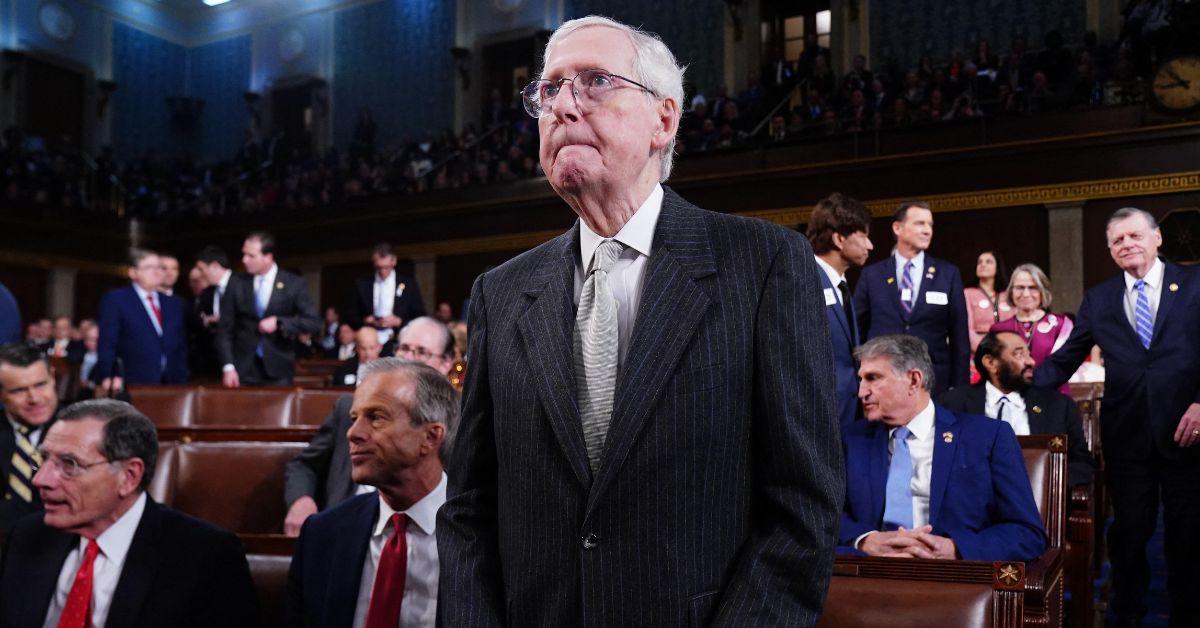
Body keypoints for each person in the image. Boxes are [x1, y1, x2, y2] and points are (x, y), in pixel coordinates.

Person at [438, 16, 843, 626]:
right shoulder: (500, 292)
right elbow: (470, 511)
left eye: (595, 81)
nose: (564, 107)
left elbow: (801, 506)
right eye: (549, 90)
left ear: (664, 119)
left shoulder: (763, 264)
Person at [1035, 207, 1200, 626]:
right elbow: (1068, 357)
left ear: (1157, 238)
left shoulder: (1195, 285)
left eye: (1134, 236)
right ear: (1110, 251)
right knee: (1129, 537)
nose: (1127, 244)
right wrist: (1015, 384)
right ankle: (1126, 616)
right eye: (1117, 241)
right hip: (1127, 437)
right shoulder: (1099, 298)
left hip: (1188, 432)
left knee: (1188, 538)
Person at [0, 399, 260, 626]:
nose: (41, 480)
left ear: (129, 476)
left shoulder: (205, 556)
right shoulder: (27, 535)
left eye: (69, 464)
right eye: (44, 460)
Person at [841, 335, 1046, 561]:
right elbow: (822, 515)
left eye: (873, 378)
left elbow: (1027, 533)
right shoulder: (851, 439)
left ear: (913, 380)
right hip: (871, 575)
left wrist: (955, 548)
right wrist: (864, 539)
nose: (861, 392)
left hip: (953, 580)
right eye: (861, 380)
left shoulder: (987, 437)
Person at [285, 359, 457, 627]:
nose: (353, 433)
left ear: (431, 437)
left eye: (376, 418)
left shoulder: (487, 536)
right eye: (354, 419)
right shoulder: (321, 535)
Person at [283, 317, 459, 536]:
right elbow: (304, 465)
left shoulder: (460, 421)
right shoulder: (350, 406)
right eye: (404, 348)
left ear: (447, 362)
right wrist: (301, 501)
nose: (410, 358)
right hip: (343, 528)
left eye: (422, 352)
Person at [940, 331, 1095, 485]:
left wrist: (1047, 482)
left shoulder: (1057, 406)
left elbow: (1083, 465)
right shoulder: (953, 405)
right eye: (1019, 354)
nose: (1031, 362)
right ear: (990, 363)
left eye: (1029, 354)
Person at [853, 202, 970, 394]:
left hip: (933, 382)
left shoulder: (948, 274)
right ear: (897, 228)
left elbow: (959, 337)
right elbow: (858, 330)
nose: (927, 230)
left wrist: (960, 388)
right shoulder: (872, 275)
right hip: (882, 381)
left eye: (930, 225)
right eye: (920, 223)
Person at [805, 192, 874, 428]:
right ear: (839, 239)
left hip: (846, 415)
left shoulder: (840, 285)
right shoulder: (806, 281)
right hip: (819, 417)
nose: (870, 245)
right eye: (863, 236)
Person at [216, 232, 321, 387]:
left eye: (251, 256)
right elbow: (224, 329)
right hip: (242, 370)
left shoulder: (293, 283)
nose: (244, 260)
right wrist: (228, 367)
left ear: (268, 257)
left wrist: (279, 322)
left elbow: (313, 322)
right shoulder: (236, 283)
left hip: (279, 369)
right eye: (244, 254)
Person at [92, 249, 188, 394]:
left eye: (159, 267)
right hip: (130, 382)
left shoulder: (173, 304)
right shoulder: (116, 300)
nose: (157, 272)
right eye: (150, 267)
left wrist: (182, 378)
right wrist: (108, 374)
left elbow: (180, 345)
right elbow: (107, 341)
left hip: (171, 383)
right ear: (133, 273)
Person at [0, 343, 60, 537]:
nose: (34, 398)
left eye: (40, 385)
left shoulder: (81, 430)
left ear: (53, 377)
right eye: (18, 390)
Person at [990, 263, 1073, 395]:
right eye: (1020, 288)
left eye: (1033, 288)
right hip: (1013, 400)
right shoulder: (999, 329)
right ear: (1011, 291)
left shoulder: (1062, 325)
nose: (1026, 294)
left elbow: (1065, 366)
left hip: (1053, 399)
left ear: (1043, 291)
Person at [347, 243, 425, 347]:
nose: (383, 272)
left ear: (394, 262)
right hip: (369, 342)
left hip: (398, 341)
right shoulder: (362, 284)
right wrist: (365, 321)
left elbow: (420, 316)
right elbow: (350, 315)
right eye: (379, 268)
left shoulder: (409, 284)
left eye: (386, 267)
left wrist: (400, 322)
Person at [964, 250, 1013, 354]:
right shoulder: (967, 294)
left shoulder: (1009, 295)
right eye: (979, 262)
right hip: (979, 351)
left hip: (1008, 350)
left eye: (988, 262)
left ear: (997, 267)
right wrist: (986, 350)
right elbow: (967, 329)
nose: (983, 265)